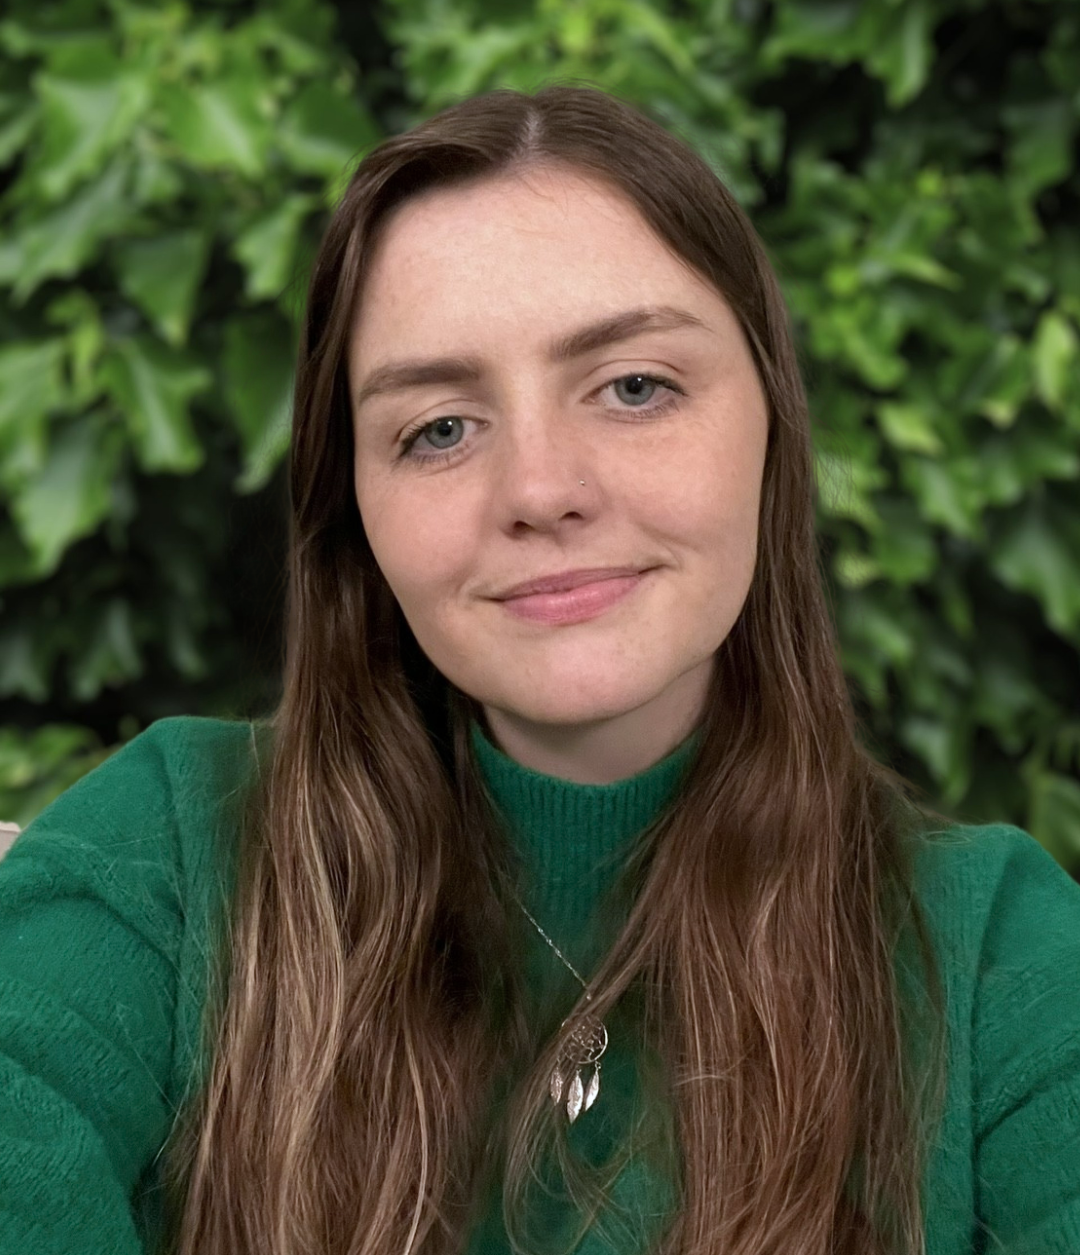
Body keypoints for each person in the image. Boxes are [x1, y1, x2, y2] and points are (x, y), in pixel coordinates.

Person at [1, 85, 1078, 1255]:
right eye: (440, 429)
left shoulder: (999, 963)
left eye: (634, 388)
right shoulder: (168, 856)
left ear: (771, 428)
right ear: (353, 506)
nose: (539, 490)